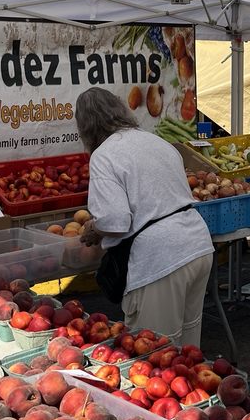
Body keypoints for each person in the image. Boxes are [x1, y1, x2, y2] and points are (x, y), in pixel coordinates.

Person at [77, 87, 213, 347]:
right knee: (188, 344)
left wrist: (95, 228)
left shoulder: (104, 155)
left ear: (86, 127)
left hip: (161, 259)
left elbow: (115, 221)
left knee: (155, 350)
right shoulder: (156, 141)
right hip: (197, 244)